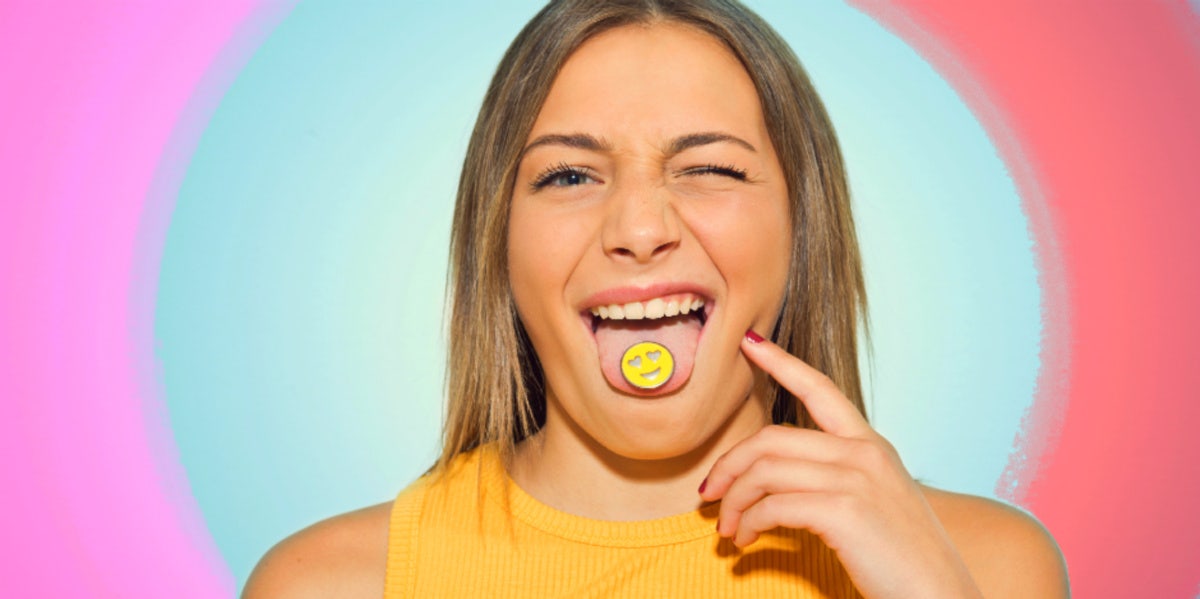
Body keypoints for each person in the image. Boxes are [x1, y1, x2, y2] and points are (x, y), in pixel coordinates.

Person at [244, 1, 1069, 597]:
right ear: (498, 244)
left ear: (801, 230)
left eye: (709, 169)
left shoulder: (981, 566)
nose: (640, 228)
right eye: (568, 175)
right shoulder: (333, 584)